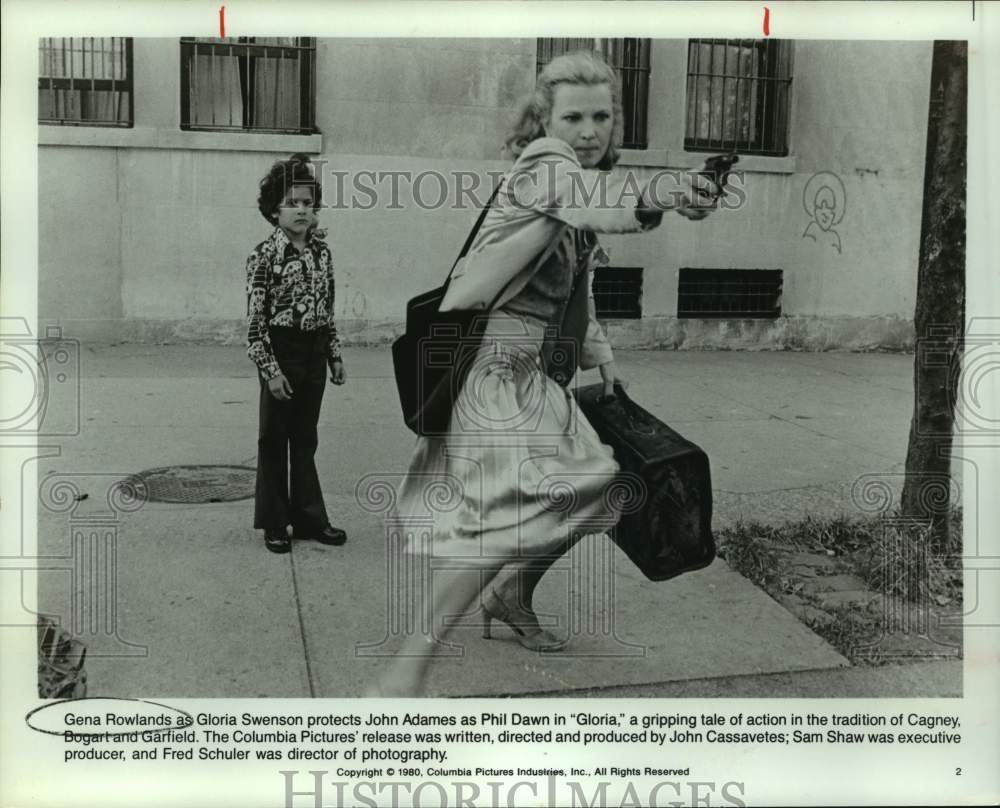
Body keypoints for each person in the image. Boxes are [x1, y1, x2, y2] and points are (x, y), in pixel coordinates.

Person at [375, 52, 718, 695]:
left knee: (602, 494)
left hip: (540, 375)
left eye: (602, 117)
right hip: (495, 368)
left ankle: (512, 593)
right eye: (573, 118)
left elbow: (575, 289)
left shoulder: (585, 182)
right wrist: (667, 192)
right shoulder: (544, 168)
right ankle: (408, 666)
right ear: (545, 121)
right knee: (503, 513)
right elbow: (595, 201)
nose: (589, 131)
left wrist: (603, 360)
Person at [246, 153, 348, 554]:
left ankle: (309, 518)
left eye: (308, 203)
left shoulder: (323, 253)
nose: (302, 210)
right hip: (280, 350)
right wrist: (270, 370)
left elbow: (328, 309)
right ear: (274, 210)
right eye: (293, 202)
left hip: (314, 351)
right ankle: (275, 522)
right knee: (275, 439)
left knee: (305, 438)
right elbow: (255, 324)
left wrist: (334, 354)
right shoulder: (264, 256)